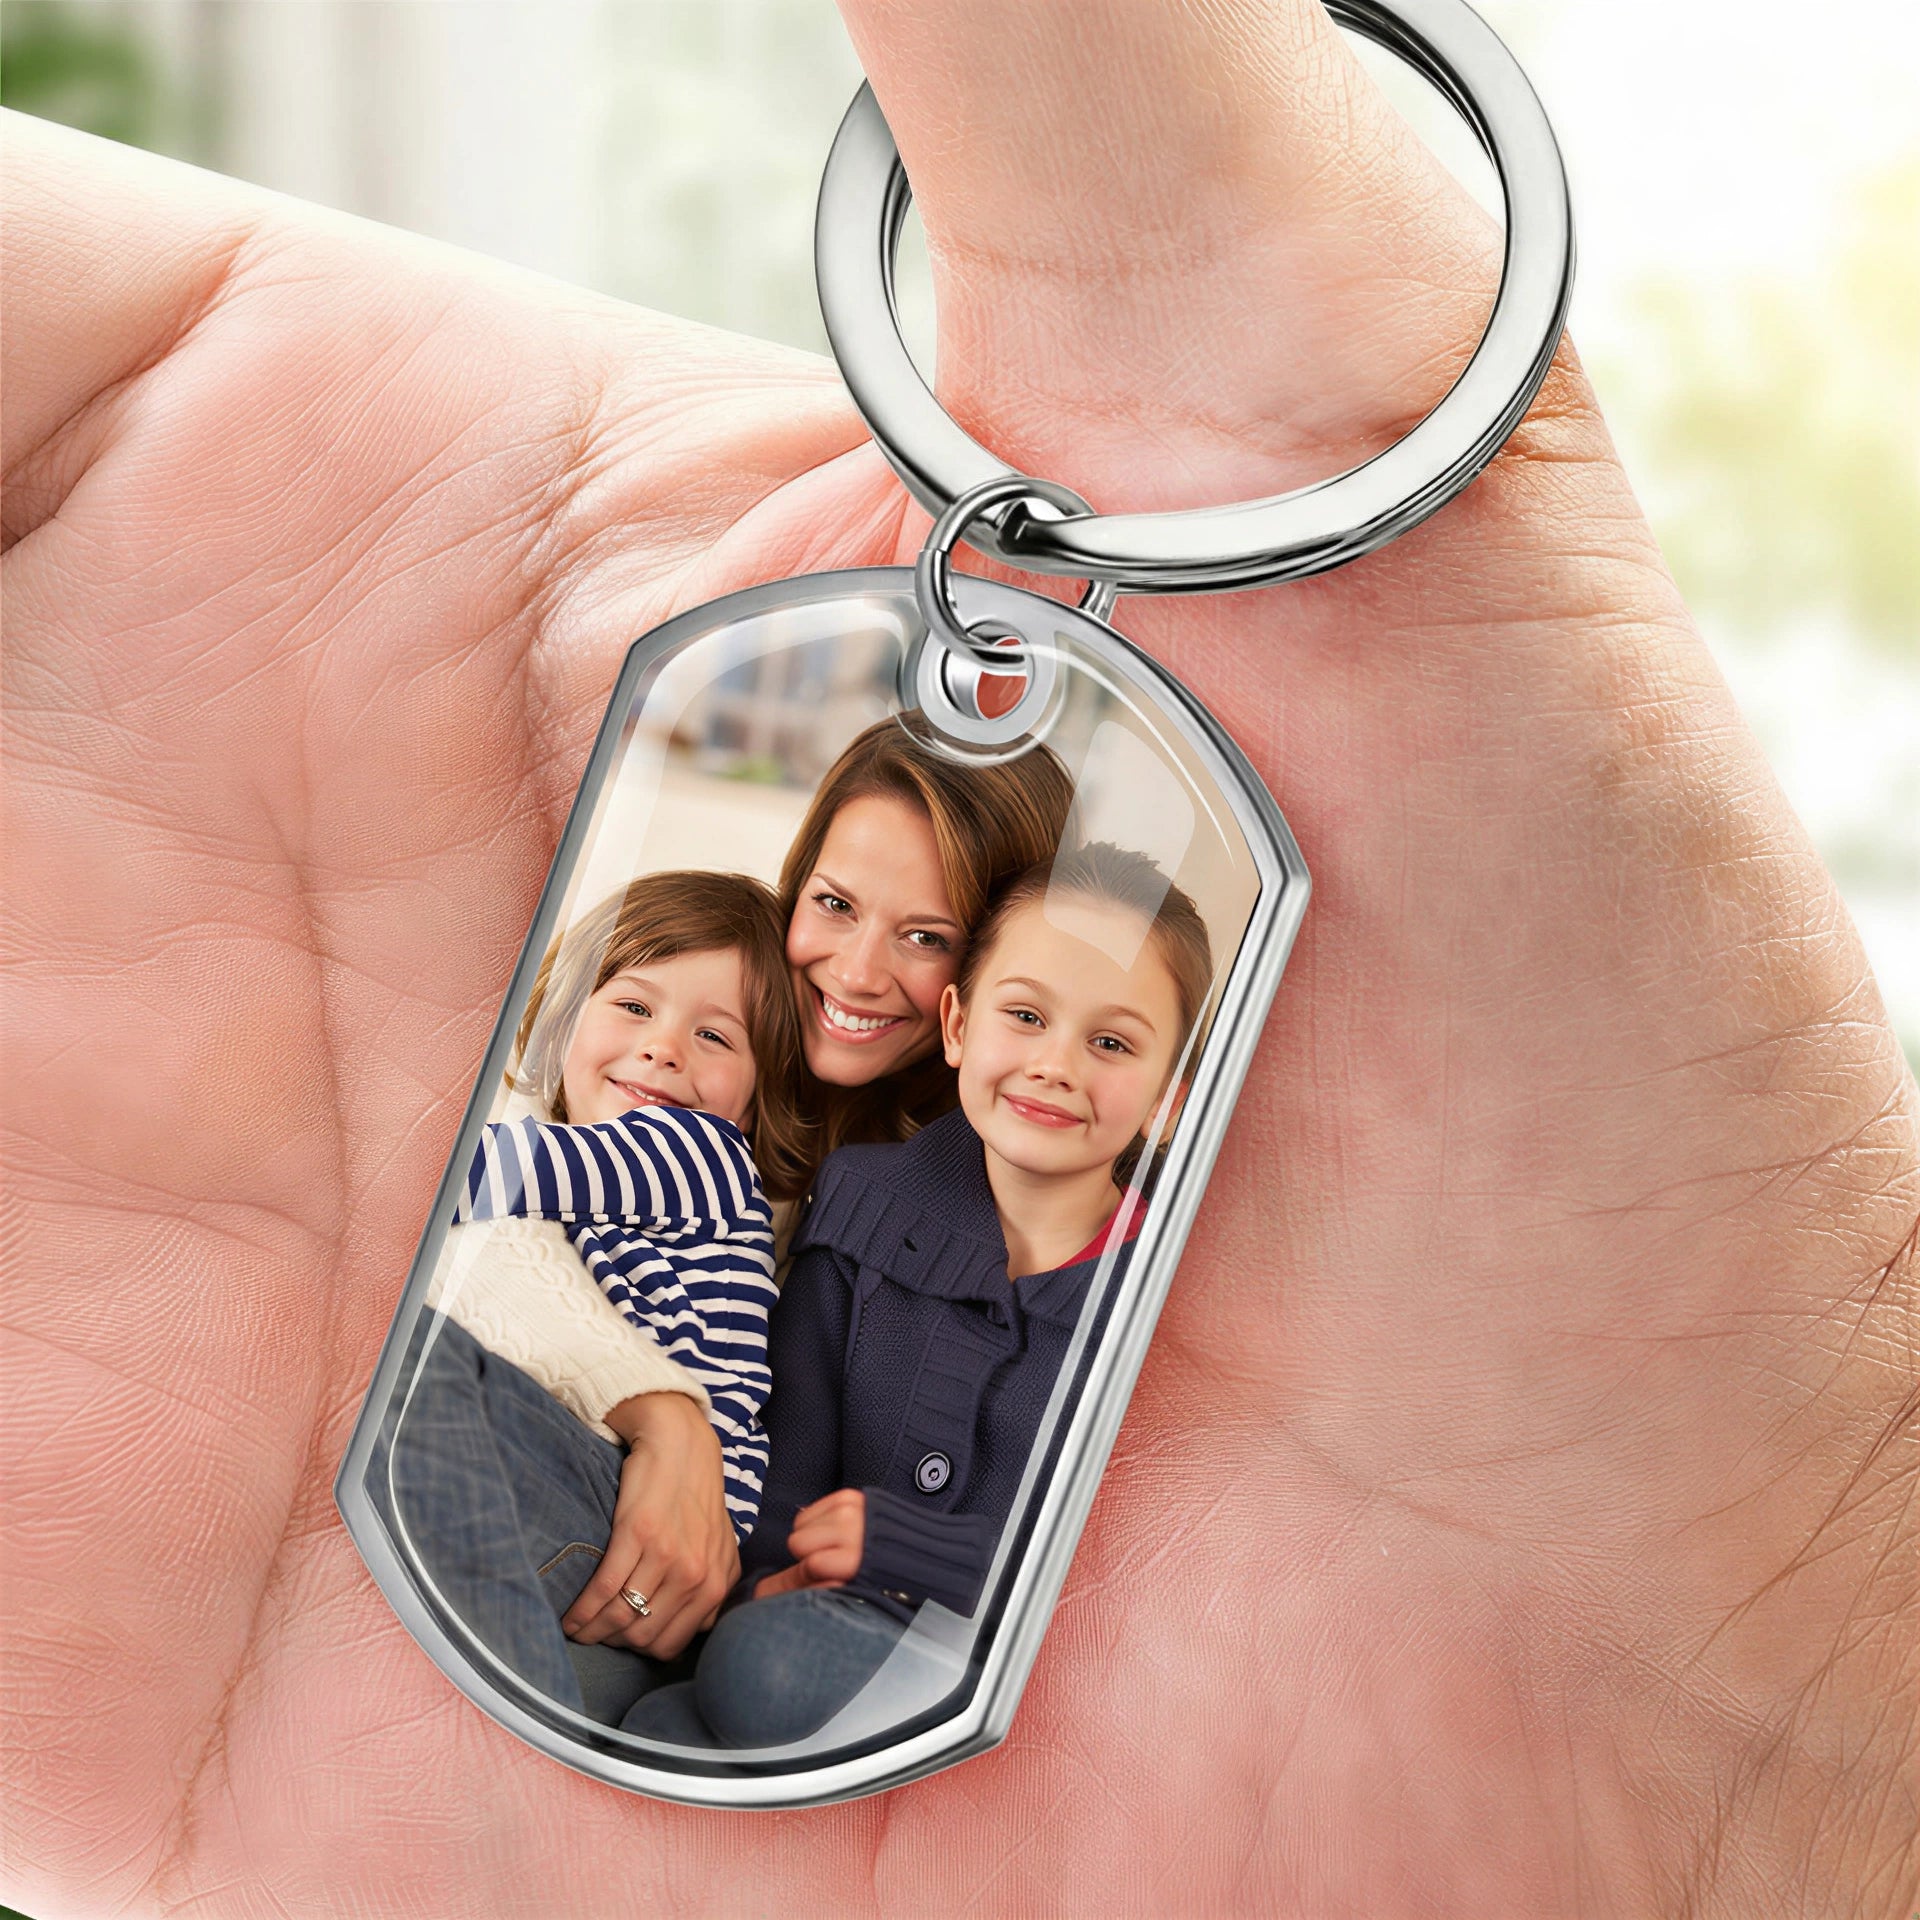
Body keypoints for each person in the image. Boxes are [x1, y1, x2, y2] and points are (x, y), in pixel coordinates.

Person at [4, 0, 1912, 1909]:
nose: (849, 974)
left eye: (932, 943)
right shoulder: (716, 1093)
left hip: (857, 1656)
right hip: (609, 1570)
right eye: (826, 908)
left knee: (745, 1649)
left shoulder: (1003, 1173)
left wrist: (1803, 1687)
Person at [626, 844, 1212, 1746]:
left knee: (759, 1678)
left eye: (1110, 1042)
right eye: (1024, 1015)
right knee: (672, 1706)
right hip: (810, 1631)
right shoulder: (865, 1200)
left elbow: (1152, 1575)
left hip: (1032, 1679)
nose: (1056, 1065)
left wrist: (920, 1553)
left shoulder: (1176, 1292)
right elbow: (787, 1450)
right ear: (957, 1027)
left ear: (1172, 1095)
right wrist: (764, 1585)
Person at [368, 871, 807, 1719]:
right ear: (566, 1015)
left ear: (754, 1102)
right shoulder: (601, 1163)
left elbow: (443, 1175)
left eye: (716, 1037)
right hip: (611, 1507)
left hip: (637, 1506)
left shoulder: (697, 1151)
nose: (665, 1048)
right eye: (635, 1007)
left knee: (409, 1362)